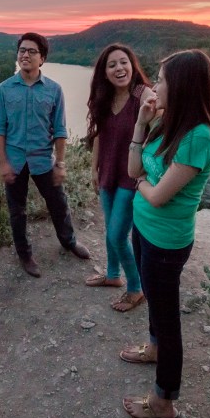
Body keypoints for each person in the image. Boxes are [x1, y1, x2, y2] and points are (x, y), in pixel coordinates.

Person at [119, 50, 210, 418]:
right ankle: (154, 348)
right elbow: (133, 169)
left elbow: (159, 196)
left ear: (181, 86)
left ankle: (164, 400)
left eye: (161, 79)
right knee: (155, 302)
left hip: (166, 241)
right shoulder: (167, 122)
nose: (154, 85)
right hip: (144, 229)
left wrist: (143, 184)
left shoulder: (199, 137)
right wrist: (140, 124)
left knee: (168, 319)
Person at [0, 32, 91, 278]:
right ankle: (25, 255)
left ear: (42, 58)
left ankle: (69, 241)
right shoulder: (5, 89)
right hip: (15, 161)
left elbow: (60, 130)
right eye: (22, 50)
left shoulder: (54, 90)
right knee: (17, 211)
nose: (25, 55)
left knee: (58, 203)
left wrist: (61, 163)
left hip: (43, 159)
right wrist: (3, 163)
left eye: (31, 51)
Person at [84, 44, 154, 312]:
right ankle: (113, 274)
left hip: (131, 177)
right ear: (105, 72)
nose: (119, 68)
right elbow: (99, 135)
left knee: (117, 234)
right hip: (108, 173)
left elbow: (159, 119)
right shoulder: (105, 97)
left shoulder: (141, 94)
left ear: (132, 65)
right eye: (111, 65)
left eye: (123, 62)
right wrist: (94, 168)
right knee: (110, 228)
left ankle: (136, 288)